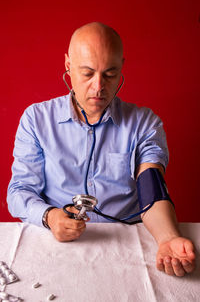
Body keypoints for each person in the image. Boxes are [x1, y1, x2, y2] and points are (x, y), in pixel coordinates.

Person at [7, 22, 195, 277]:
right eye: (87, 73)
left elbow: (151, 186)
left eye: (109, 74)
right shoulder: (36, 119)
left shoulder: (145, 123)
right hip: (56, 242)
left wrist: (167, 238)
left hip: (127, 243)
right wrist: (50, 216)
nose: (98, 87)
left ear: (121, 70)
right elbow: (19, 192)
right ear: (68, 66)